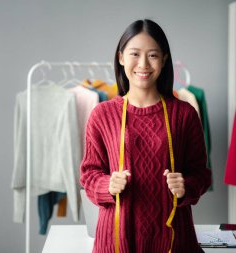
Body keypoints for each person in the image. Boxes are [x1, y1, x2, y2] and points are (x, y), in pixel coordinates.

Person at [80, 19, 211, 253]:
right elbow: (88, 175)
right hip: (116, 243)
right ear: (121, 58)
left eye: (152, 55)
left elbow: (202, 174)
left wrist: (186, 186)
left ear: (164, 59)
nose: (143, 64)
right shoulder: (102, 114)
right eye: (134, 54)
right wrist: (107, 185)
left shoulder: (184, 114)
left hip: (174, 242)